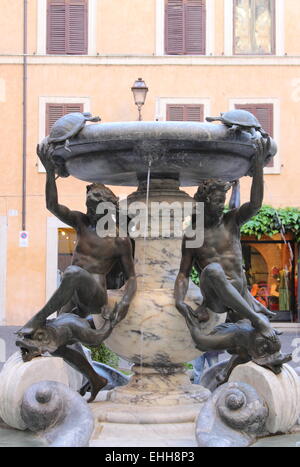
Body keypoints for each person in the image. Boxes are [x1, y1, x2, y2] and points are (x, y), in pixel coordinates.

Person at [18, 144, 137, 340]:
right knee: (61, 337)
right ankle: (87, 370)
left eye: (94, 209)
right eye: (88, 207)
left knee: (72, 272)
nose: (90, 212)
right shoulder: (82, 223)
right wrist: (49, 172)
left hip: (95, 296)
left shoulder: (119, 240)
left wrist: (124, 303)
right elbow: (52, 206)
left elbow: (132, 278)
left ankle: (37, 318)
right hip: (73, 292)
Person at [175, 137, 277, 346]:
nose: (221, 205)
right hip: (215, 299)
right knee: (212, 270)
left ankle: (227, 370)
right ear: (204, 202)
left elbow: (256, 204)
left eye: (222, 200)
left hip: (238, 291)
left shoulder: (232, 220)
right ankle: (258, 319)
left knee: (248, 346)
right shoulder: (193, 234)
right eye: (216, 201)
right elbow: (183, 274)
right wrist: (178, 300)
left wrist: (258, 167)